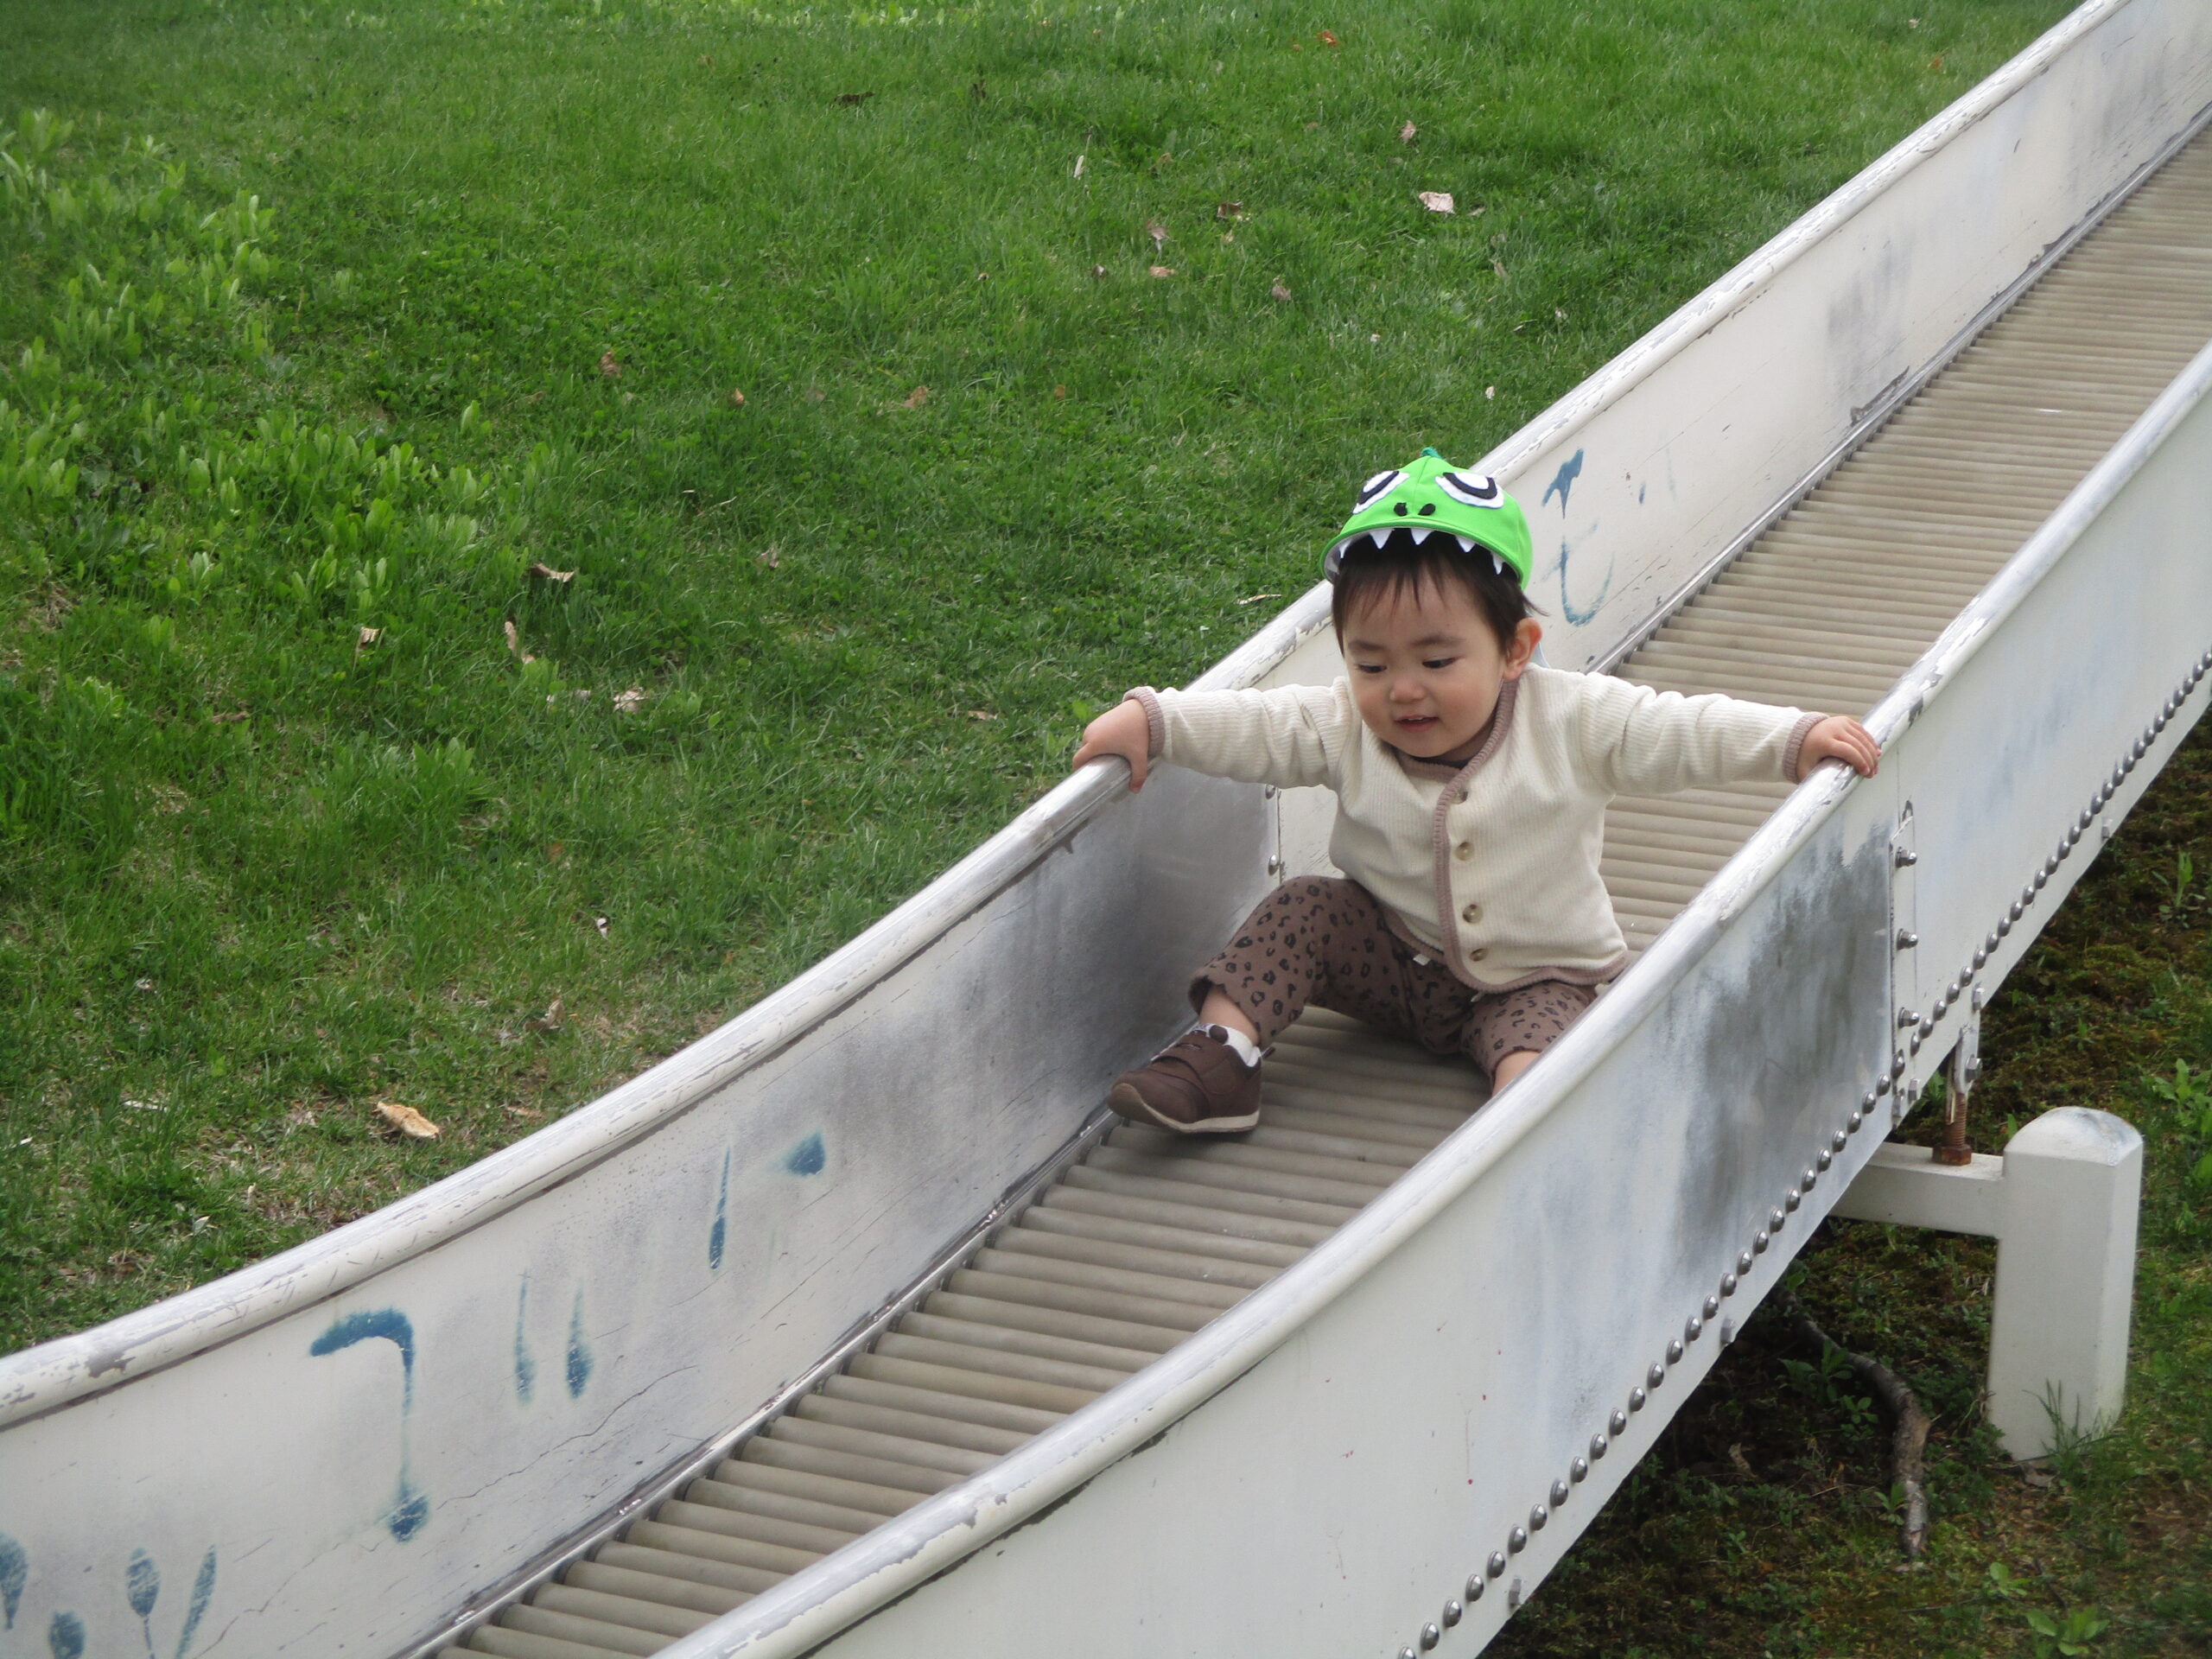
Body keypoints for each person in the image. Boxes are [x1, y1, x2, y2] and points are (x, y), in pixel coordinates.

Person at [1071, 449, 1881, 1133]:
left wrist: (1789, 740)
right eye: (1372, 664)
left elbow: (1679, 731)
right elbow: (1258, 726)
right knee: (1303, 911)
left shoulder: (1571, 721)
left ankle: (1509, 1130)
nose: (1403, 692)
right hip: (1394, 959)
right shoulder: (1346, 725)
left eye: (1437, 660)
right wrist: (1158, 722)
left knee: (1535, 1054)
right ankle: (1224, 1059)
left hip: (1538, 975)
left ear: (1515, 649)